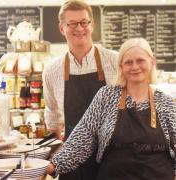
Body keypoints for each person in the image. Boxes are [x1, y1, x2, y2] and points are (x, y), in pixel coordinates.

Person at [46, 37, 176, 180]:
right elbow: (83, 136)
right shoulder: (106, 96)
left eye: (140, 60)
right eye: (128, 62)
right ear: (121, 67)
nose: (134, 67)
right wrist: (53, 165)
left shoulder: (166, 103)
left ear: (152, 63)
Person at [42, 0, 118, 179]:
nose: (79, 28)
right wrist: (57, 151)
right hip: (72, 161)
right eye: (72, 23)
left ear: (92, 25)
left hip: (112, 158)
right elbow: (52, 115)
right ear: (62, 28)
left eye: (84, 22)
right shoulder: (52, 70)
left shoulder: (115, 61)